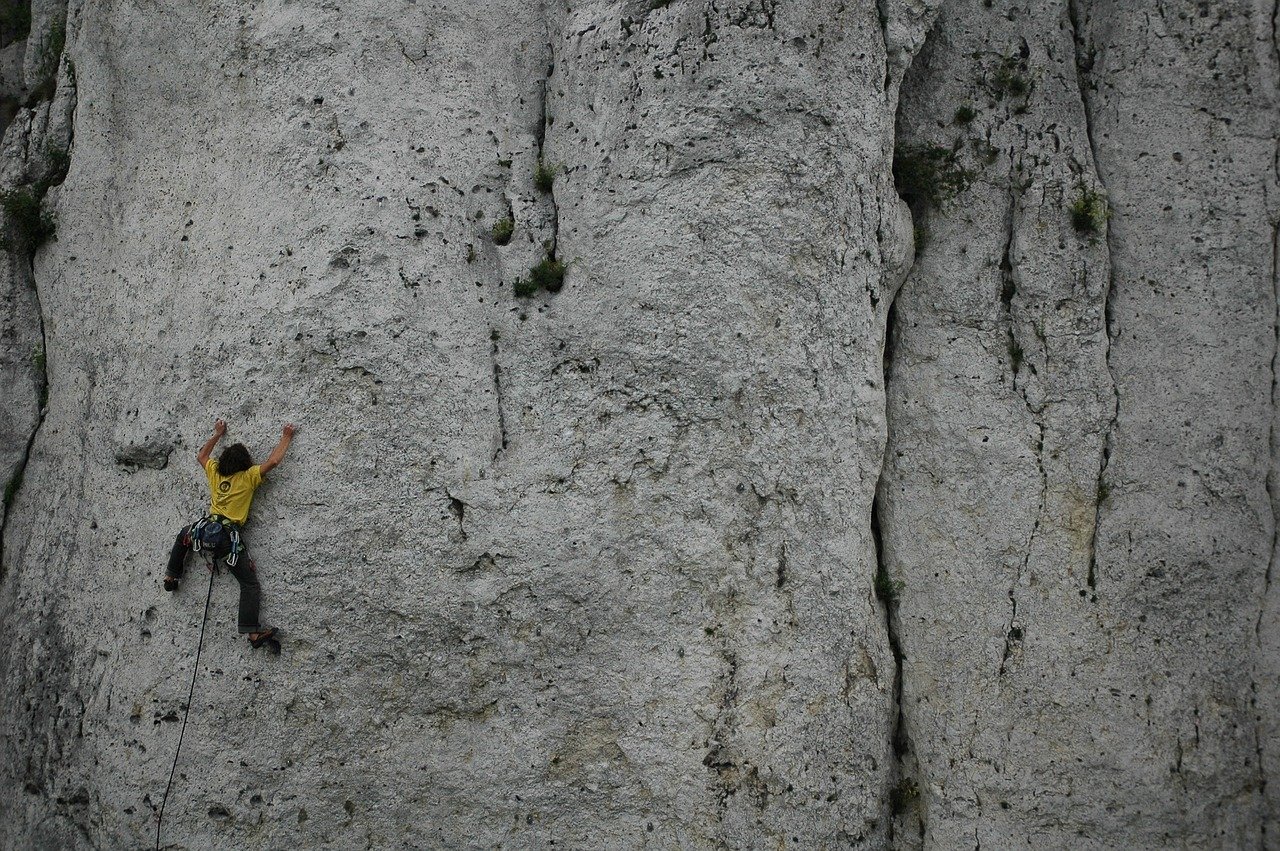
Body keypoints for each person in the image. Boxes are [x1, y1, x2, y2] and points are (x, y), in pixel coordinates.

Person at [164, 419, 296, 648]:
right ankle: (252, 633)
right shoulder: (248, 477)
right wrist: (286, 436)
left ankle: (171, 576)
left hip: (203, 530)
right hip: (226, 539)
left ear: (224, 461)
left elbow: (201, 456)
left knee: (182, 536)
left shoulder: (215, 472)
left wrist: (217, 434)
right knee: (249, 584)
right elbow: (273, 461)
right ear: (245, 463)